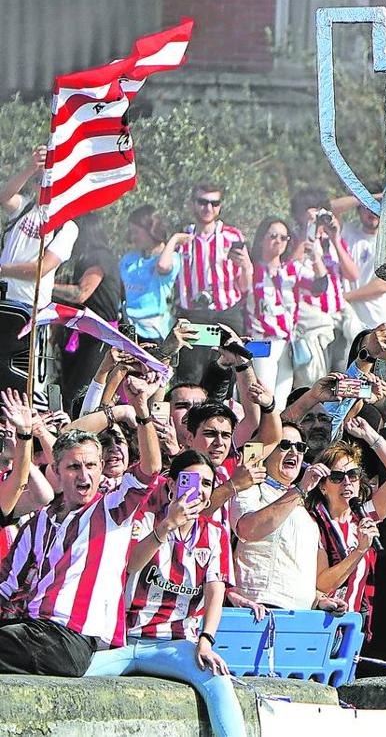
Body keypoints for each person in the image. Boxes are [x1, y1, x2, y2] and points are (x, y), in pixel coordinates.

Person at [0, 383, 161, 676]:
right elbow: (8, 583)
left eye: (90, 465)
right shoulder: (38, 522)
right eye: (74, 467)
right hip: (33, 629)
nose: (84, 474)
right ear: (57, 471)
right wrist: (25, 435)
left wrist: (142, 411)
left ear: (101, 468)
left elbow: (150, 470)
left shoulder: (112, 509)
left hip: (70, 637)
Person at [84, 450, 246, 737]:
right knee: (70, 672)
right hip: (121, 639)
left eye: (207, 484)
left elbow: (215, 592)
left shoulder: (216, 533)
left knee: (218, 679)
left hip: (175, 643)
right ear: (171, 484)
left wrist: (206, 640)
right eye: (191, 480)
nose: (200, 489)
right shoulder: (144, 518)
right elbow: (132, 564)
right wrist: (167, 526)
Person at [226, 423, 348, 614]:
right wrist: (299, 489)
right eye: (284, 445)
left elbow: (298, 569)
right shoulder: (251, 487)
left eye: (300, 447)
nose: (294, 452)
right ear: (266, 451)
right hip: (258, 609)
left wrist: (319, 599)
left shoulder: (307, 509)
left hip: (300, 615)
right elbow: (248, 530)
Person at [307, 420, 386, 635]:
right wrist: (360, 550)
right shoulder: (312, 521)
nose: (347, 482)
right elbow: (323, 583)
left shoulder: (362, 516)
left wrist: (371, 437)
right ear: (323, 487)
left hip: (353, 625)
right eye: (337, 477)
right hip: (321, 623)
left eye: (353, 475)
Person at [165, 183, 251, 383]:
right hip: (192, 314)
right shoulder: (182, 236)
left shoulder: (233, 236)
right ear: (192, 204)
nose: (208, 208)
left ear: (220, 206)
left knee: (226, 372)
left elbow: (245, 285)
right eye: (202, 202)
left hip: (226, 312)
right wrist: (174, 241)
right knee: (190, 375)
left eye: (214, 203)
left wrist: (247, 267)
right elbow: (163, 269)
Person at [245, 217, 328, 402]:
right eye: (273, 236)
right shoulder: (250, 269)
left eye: (284, 237)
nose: (279, 241)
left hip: (286, 342)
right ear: (261, 239)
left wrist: (315, 257)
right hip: (259, 341)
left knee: (281, 401)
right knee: (262, 396)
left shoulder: (292, 269)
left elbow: (319, 287)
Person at [53, 211, 124, 411]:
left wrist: (44, 284)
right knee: (70, 390)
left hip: (98, 337)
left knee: (81, 391)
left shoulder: (99, 257)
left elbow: (80, 293)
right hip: (84, 335)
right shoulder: (88, 258)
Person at [289, 189, 360, 387]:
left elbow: (353, 274)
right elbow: (286, 268)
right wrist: (307, 233)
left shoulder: (332, 240)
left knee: (342, 372)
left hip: (337, 317)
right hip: (311, 320)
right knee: (314, 379)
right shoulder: (294, 238)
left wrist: (336, 239)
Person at [0, 145, 79, 310]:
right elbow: (4, 197)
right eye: (37, 181)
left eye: (47, 182)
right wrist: (31, 167)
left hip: (29, 305)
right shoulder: (24, 207)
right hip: (3, 296)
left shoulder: (67, 226)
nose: (40, 187)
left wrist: (2, 270)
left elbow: (40, 269)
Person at [119, 204, 182, 344]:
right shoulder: (129, 259)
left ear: (151, 230)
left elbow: (163, 266)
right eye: (131, 232)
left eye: (136, 232)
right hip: (129, 330)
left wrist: (174, 239)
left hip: (155, 333)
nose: (133, 237)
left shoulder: (171, 258)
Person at [340, 203, 386, 338]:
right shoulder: (349, 232)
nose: (372, 212)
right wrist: (361, 196)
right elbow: (330, 208)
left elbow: (383, 284)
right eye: (367, 207)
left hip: (384, 328)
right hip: (353, 329)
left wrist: (344, 297)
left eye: (376, 207)